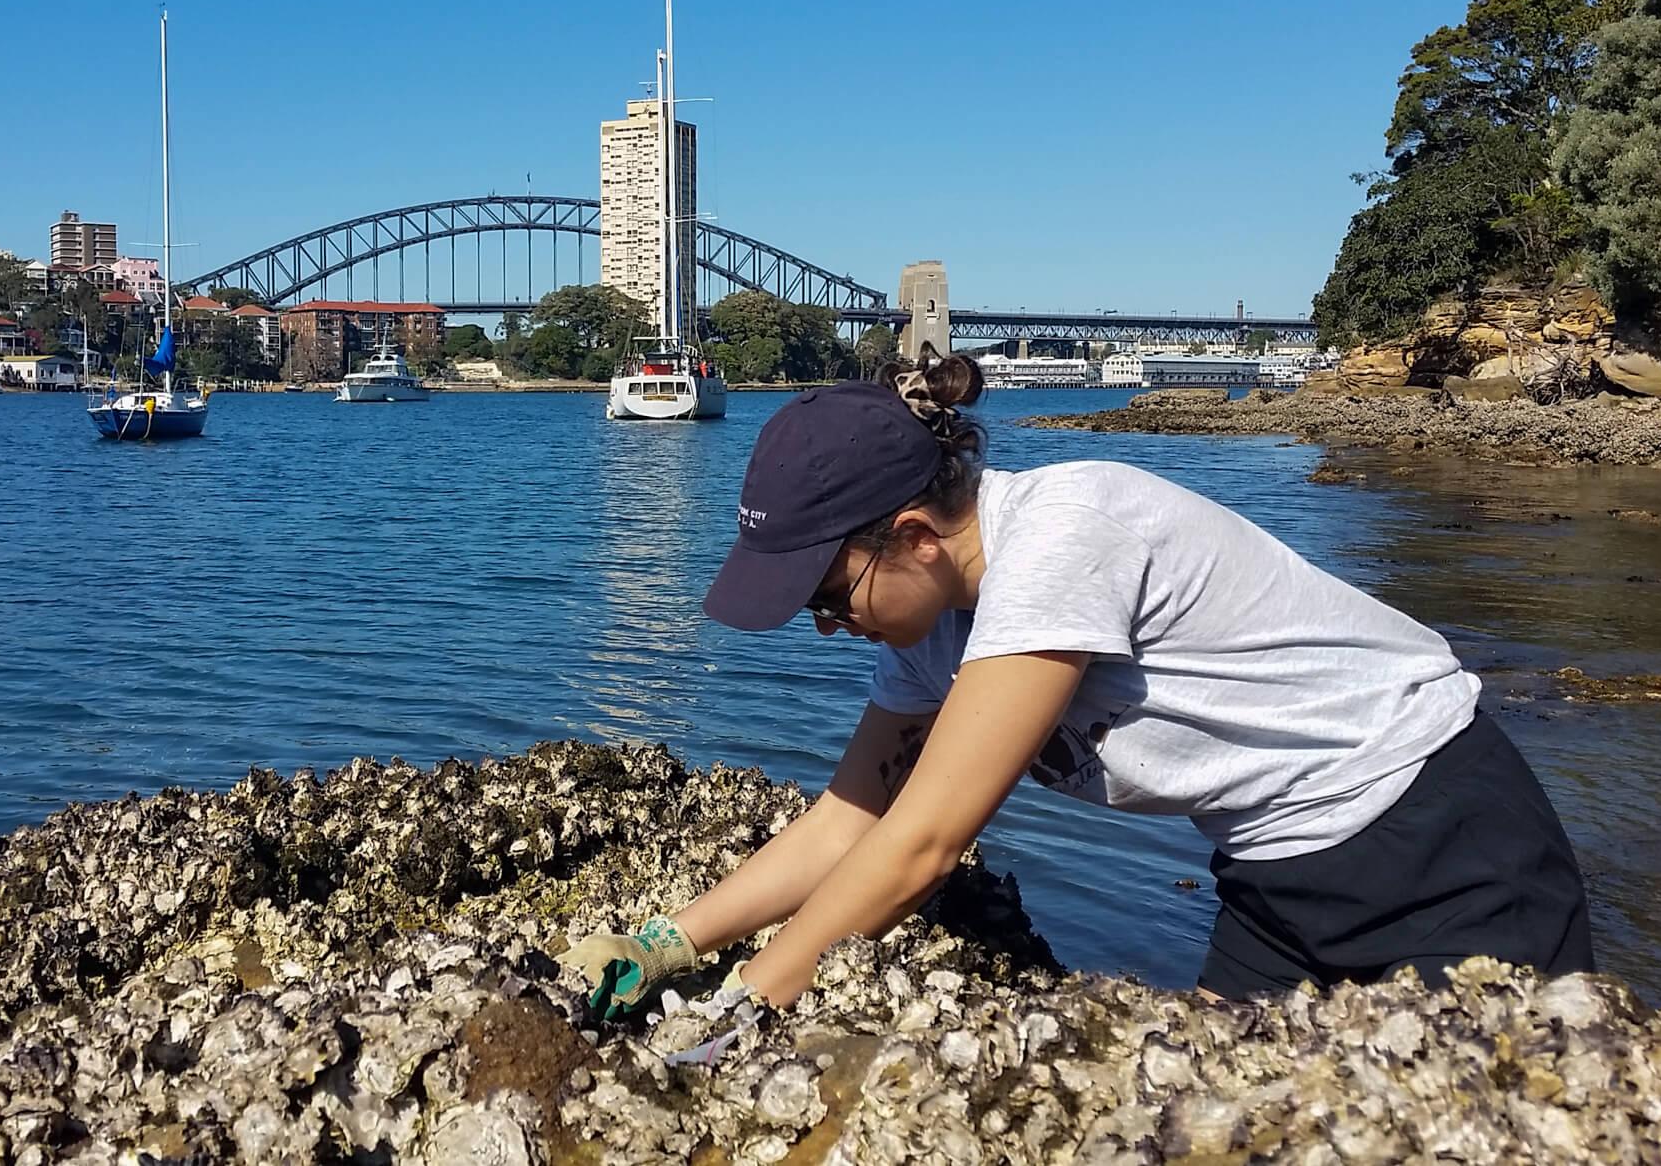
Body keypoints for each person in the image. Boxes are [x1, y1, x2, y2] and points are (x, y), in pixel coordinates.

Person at [559, 350, 1593, 1014]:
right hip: (1272, 878)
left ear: (914, 536)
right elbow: (850, 818)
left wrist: (749, 1002)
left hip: (1439, 837)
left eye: (829, 594)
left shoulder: (1065, 534)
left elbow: (925, 842)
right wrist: (665, 944)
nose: (828, 626)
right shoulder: (928, 628)